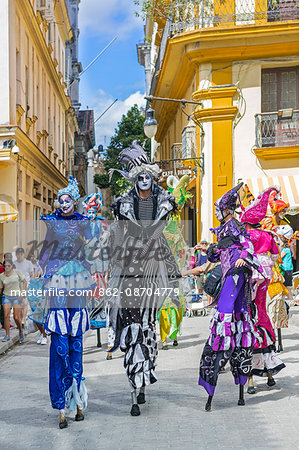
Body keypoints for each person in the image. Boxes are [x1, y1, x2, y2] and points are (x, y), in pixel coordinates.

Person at [106, 140, 181, 416]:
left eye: (148, 176)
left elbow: (162, 232)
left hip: (154, 262)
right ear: (135, 180)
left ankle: (143, 378)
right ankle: (134, 385)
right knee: (131, 323)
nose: (144, 181)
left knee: (147, 325)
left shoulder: (163, 201)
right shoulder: (125, 204)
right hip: (131, 260)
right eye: (140, 177)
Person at [198, 182, 263, 411]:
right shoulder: (224, 228)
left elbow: (247, 245)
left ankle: (233, 373)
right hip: (230, 275)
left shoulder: (235, 224)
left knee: (229, 321)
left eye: (218, 208)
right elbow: (219, 254)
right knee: (229, 323)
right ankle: (225, 377)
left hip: (237, 276)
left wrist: (244, 258)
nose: (216, 212)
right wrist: (211, 251)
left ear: (226, 210)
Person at [38, 175, 95, 429]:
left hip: (78, 278)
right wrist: (41, 267)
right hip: (58, 276)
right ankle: (62, 403)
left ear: (74, 202)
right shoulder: (52, 222)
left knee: (76, 341)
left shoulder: (84, 222)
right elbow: (46, 248)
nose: (63, 204)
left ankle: (78, 399)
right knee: (60, 341)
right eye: (60, 200)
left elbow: (94, 245)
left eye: (67, 199)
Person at [240, 187, 285, 394]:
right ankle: (269, 376)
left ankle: (249, 382)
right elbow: (276, 256)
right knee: (262, 314)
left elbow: (241, 257)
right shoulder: (268, 235)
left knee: (250, 316)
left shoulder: (246, 235)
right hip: (266, 278)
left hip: (251, 277)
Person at [82, 193, 113, 358]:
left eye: (94, 210)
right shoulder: (83, 224)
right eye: (89, 210)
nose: (91, 214)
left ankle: (109, 340)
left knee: (104, 304)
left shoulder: (102, 224)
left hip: (101, 271)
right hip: (87, 270)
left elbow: (107, 247)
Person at [0, 259, 27, 343]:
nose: (7, 267)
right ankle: (7, 335)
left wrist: (22, 293)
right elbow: (0, 288)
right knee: (6, 316)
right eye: (5, 266)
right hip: (6, 296)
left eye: (8, 266)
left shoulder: (17, 272)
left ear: (12, 265)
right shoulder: (1, 276)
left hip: (16, 296)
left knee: (16, 317)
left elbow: (24, 282)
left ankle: (21, 331)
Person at [14, 248, 34, 328]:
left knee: (25, 302)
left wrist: (31, 282)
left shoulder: (28, 263)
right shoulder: (14, 263)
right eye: (18, 254)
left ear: (23, 254)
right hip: (16, 285)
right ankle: (20, 319)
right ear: (16, 254)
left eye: (21, 253)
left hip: (26, 284)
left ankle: (23, 320)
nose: (20, 255)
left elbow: (32, 273)